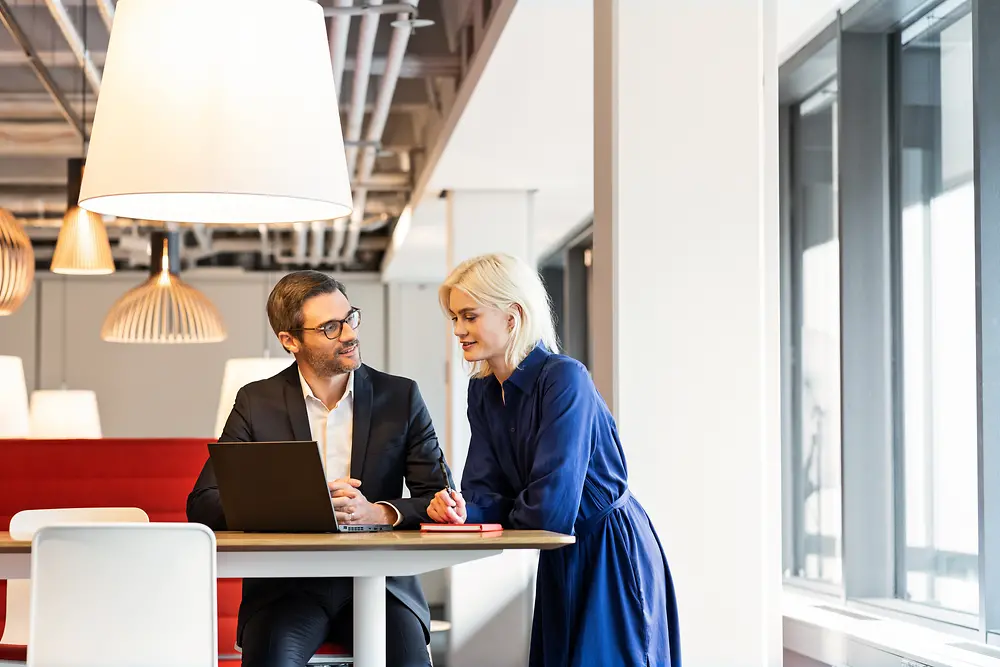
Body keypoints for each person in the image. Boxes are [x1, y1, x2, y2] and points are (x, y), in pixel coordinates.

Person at [427, 253, 681, 667]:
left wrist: (495, 510)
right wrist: (461, 509)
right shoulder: (484, 393)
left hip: (608, 551)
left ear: (512, 317)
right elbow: (486, 493)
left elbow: (550, 510)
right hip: (560, 553)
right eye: (455, 318)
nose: (458, 330)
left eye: (469, 316)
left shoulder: (565, 377)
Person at [188, 270, 447, 667]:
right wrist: (301, 504)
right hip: (286, 590)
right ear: (290, 341)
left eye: (350, 318)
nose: (348, 333)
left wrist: (380, 512)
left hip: (380, 585)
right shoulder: (257, 402)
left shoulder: (401, 397)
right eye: (329, 327)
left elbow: (437, 497)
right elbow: (204, 503)